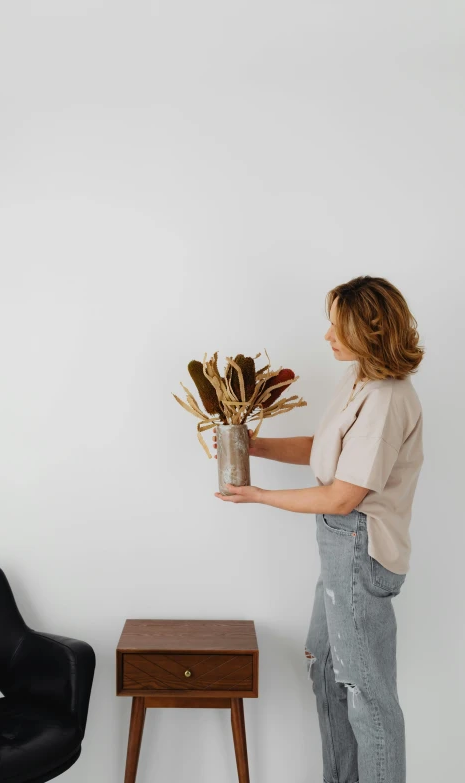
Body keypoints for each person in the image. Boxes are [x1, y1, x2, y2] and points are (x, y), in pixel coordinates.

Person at [213, 275, 424, 783]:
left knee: (366, 694)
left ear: (368, 329)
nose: (327, 335)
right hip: (338, 542)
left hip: (359, 545)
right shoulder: (359, 380)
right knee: (326, 669)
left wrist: (258, 496)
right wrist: (251, 444)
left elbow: (343, 495)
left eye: (337, 325)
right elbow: (321, 448)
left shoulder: (388, 399)